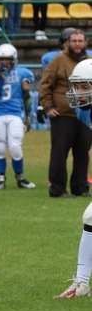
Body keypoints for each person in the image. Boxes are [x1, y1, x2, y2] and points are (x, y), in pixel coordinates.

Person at [40, 29, 92, 197]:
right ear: (67, 43)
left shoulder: (89, 62)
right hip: (63, 115)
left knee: (83, 153)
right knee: (59, 153)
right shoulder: (58, 61)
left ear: (86, 43)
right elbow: (45, 85)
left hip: (85, 114)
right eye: (74, 41)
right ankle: (58, 189)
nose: (77, 44)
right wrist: (48, 107)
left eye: (80, 41)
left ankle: (80, 188)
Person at [57, 58, 92, 298]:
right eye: (77, 87)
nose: (79, 93)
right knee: (90, 217)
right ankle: (82, 284)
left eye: (84, 87)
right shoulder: (82, 112)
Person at [0, 44, 37, 189]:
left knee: (15, 147)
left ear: (13, 60)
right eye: (1, 59)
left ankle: (20, 178)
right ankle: (1, 180)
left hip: (14, 115)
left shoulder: (22, 73)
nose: (4, 62)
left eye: (7, 59)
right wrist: (0, 78)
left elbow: (26, 96)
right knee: (0, 148)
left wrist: (28, 117)